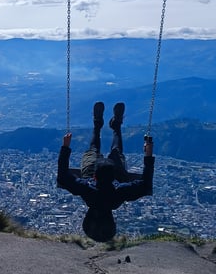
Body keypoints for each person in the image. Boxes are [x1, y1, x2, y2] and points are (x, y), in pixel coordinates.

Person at [56, 101, 154, 242]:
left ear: (95, 177)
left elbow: (145, 186)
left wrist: (148, 155)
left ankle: (100, 125)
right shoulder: (89, 191)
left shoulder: (117, 193)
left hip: (107, 174)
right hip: (106, 174)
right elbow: (63, 177)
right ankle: (113, 125)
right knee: (110, 151)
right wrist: (65, 147)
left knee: (99, 151)